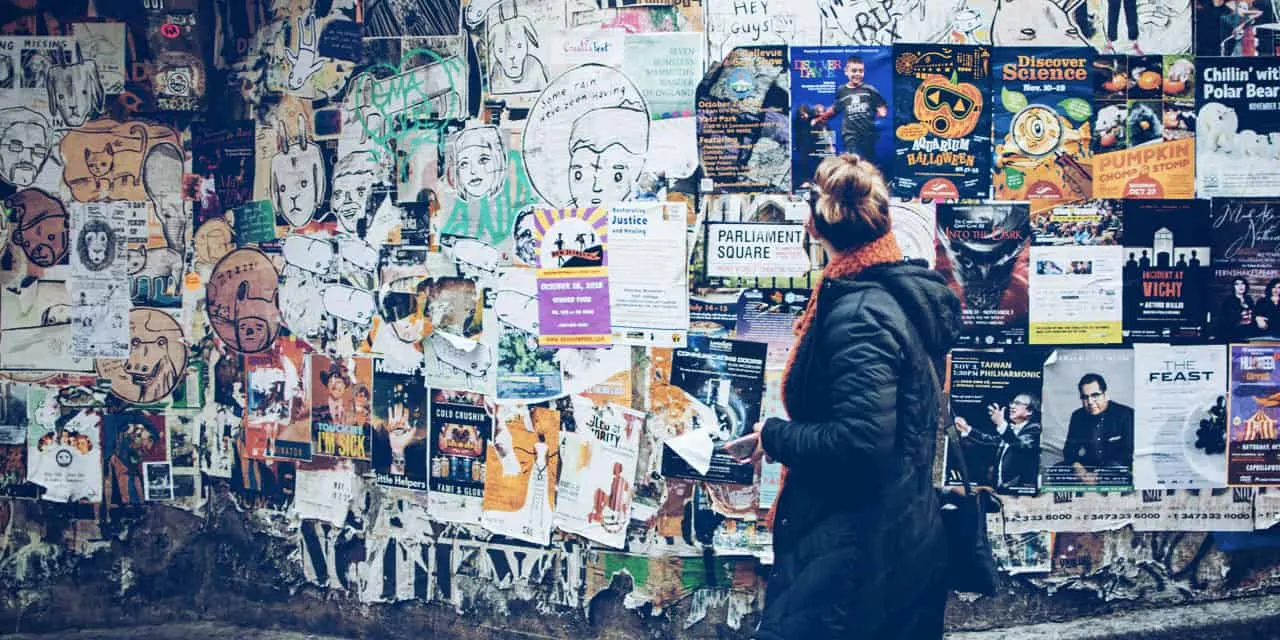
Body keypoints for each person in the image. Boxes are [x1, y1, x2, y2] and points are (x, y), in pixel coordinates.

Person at [738, 154, 961, 639]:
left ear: (813, 226)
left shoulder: (861, 312)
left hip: (854, 552)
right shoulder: (892, 292)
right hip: (892, 535)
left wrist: (775, 435)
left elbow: (860, 441)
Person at [955, 393, 1042, 493]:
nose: (1012, 406)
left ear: (1029, 411)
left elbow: (1021, 445)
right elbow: (989, 440)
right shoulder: (1010, 431)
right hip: (1001, 488)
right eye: (1012, 403)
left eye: (1017, 403)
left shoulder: (1035, 428)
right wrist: (966, 428)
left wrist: (1001, 424)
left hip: (1019, 491)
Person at [1060, 373, 1135, 485]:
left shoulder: (1126, 414)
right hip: (1088, 467)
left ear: (1106, 395)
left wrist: (1099, 475)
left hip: (1116, 468)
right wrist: (1079, 470)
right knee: (1056, 471)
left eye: (1095, 395)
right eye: (1085, 397)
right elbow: (1069, 450)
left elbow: (1127, 453)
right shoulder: (1077, 416)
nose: (1090, 402)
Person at [813, 57, 888, 166]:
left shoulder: (869, 89)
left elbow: (881, 106)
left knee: (868, 162)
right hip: (850, 134)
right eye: (854, 71)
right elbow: (834, 109)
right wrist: (819, 119)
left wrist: (881, 112)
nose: (857, 74)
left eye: (860, 71)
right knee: (854, 160)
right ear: (846, 71)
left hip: (868, 133)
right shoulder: (842, 91)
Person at [1217, 276, 1257, 340]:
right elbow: (1229, 319)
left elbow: (1254, 315)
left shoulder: (1249, 299)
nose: (1240, 286)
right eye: (1237, 284)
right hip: (1234, 332)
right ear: (1233, 287)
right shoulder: (1229, 300)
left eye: (1242, 284)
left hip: (1249, 331)